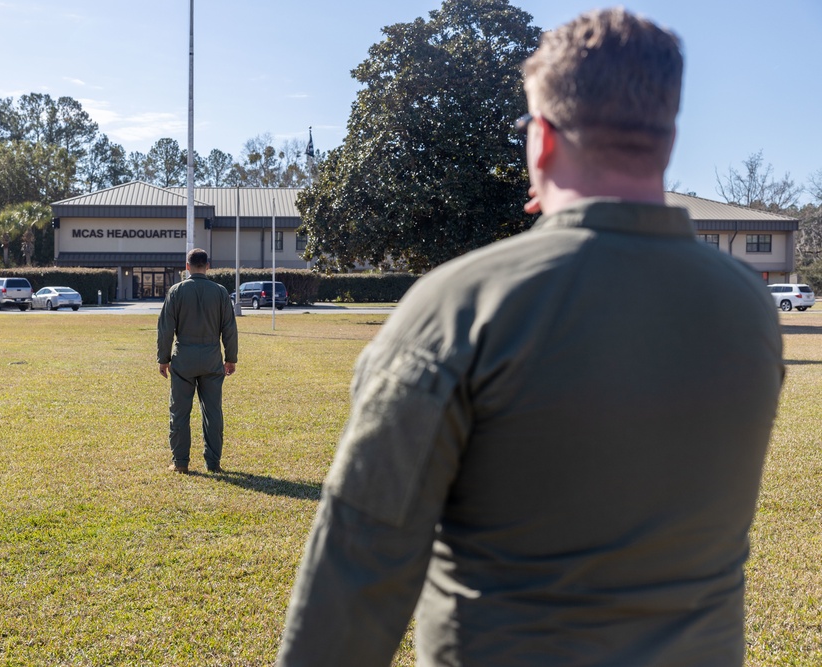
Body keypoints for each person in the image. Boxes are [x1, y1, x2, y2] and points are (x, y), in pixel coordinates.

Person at [277, 8, 784, 666]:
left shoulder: (459, 305)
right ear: (664, 138)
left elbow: (360, 562)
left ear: (541, 138)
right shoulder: (748, 306)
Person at [157, 248, 238, 474]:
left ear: (187, 266)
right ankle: (213, 463)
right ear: (208, 266)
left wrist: (163, 359)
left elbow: (165, 329)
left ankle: (180, 462)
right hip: (212, 358)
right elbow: (229, 329)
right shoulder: (220, 292)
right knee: (213, 412)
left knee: (180, 412)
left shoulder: (176, 291)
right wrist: (231, 358)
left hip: (183, 359)